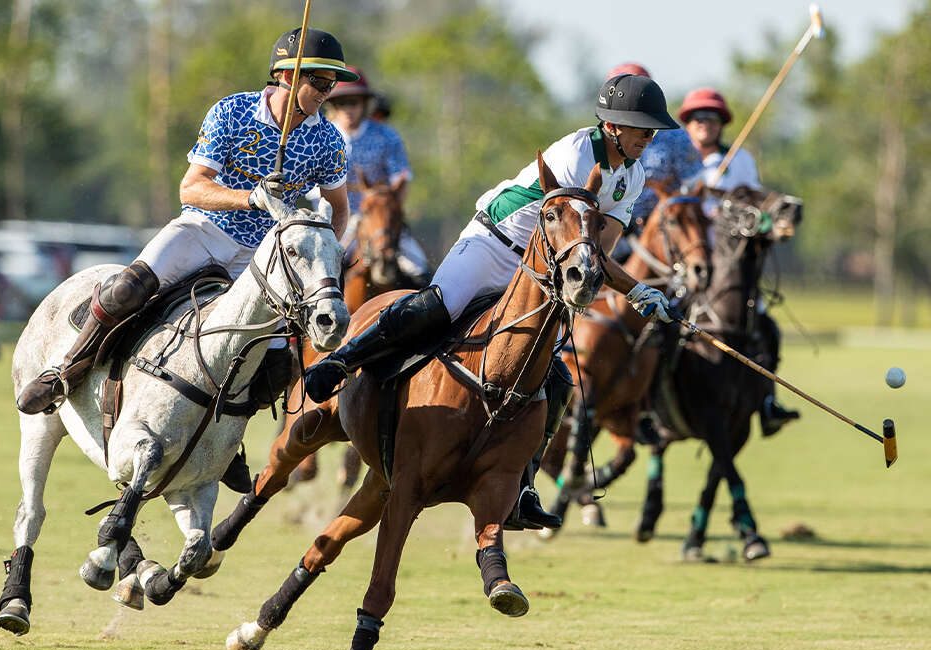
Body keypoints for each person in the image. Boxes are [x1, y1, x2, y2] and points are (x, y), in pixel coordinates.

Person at [304, 74, 680, 529]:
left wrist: (637, 289)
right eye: (642, 127)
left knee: (555, 376)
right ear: (614, 126)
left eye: (652, 128)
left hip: (540, 267)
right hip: (495, 244)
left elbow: (599, 248)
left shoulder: (633, 176)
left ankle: (524, 486)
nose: (650, 136)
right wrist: (635, 289)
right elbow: (573, 235)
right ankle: (341, 362)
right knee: (439, 307)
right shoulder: (579, 153)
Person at [16, 27, 358, 420]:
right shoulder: (233, 112)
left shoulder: (328, 141)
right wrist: (251, 197)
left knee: (279, 365)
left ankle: (225, 440)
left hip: (262, 257)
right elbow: (191, 188)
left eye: (330, 84)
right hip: (203, 230)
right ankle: (66, 372)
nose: (325, 91)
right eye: (317, 80)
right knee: (126, 290)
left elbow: (339, 208)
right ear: (284, 74)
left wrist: (327, 252)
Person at [679, 87, 799, 436]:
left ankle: (766, 402)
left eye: (712, 118)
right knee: (657, 326)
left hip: (730, 266)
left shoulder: (740, 162)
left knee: (765, 327)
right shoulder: (674, 159)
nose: (705, 123)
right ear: (688, 123)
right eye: (699, 117)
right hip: (684, 260)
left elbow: (757, 206)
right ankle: (645, 404)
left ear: (722, 124)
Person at [323, 66, 430, 286]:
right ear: (334, 105)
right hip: (335, 218)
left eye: (354, 102)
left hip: (380, 216)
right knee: (322, 271)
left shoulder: (386, 135)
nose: (348, 109)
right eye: (343, 103)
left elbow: (400, 179)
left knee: (420, 269)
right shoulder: (322, 135)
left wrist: (390, 214)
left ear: (364, 105)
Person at [601, 64, 703, 263]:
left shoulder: (677, 138)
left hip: (664, 230)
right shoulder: (598, 137)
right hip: (611, 226)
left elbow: (693, 188)